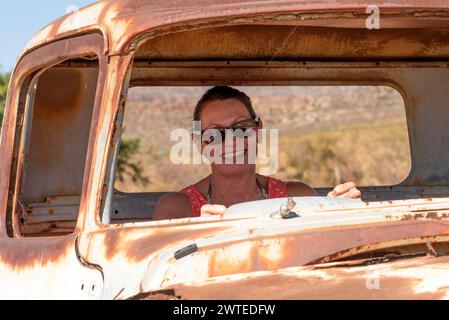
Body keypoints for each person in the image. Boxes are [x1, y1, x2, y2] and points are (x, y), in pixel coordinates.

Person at [153, 86, 361, 220]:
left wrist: (338, 213)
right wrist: (199, 235)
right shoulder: (177, 210)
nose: (232, 141)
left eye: (241, 128)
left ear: (258, 131)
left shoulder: (298, 196)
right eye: (215, 134)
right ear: (199, 143)